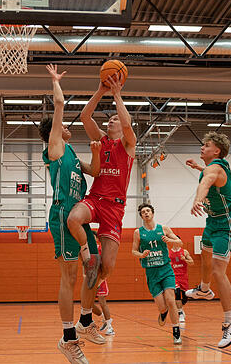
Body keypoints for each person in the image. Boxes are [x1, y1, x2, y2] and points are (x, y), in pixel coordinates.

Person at [39, 65, 105, 363]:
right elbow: (59, 105)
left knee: (95, 267)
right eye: (63, 125)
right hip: (63, 214)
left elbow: (94, 171)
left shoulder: (72, 154)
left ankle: (86, 321)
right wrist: (55, 82)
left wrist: (96, 151)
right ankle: (68, 338)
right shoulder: (55, 146)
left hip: (79, 217)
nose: (67, 126)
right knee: (69, 276)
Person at [67, 70, 136, 295]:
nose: (111, 120)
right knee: (74, 219)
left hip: (114, 208)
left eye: (115, 118)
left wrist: (117, 96)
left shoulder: (128, 144)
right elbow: (85, 117)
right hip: (95, 199)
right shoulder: (100, 139)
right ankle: (87, 257)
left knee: (108, 266)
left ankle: (94, 287)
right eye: (110, 118)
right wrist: (100, 91)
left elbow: (127, 127)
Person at [184, 131, 231, 348]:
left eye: (206, 145)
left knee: (219, 270)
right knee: (205, 256)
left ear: (216, 150)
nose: (202, 148)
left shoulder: (214, 169)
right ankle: (204, 289)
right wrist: (197, 168)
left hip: (225, 225)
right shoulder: (214, 168)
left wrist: (198, 200)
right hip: (212, 222)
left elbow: (206, 184)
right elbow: (209, 176)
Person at [131, 203, 183, 345]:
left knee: (171, 300)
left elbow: (179, 241)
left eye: (148, 211)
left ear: (152, 213)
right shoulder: (138, 232)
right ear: (141, 216)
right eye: (143, 212)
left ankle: (176, 331)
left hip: (166, 269)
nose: (146, 213)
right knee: (162, 306)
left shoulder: (163, 229)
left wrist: (170, 240)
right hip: (151, 272)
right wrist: (141, 254)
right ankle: (162, 312)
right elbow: (133, 251)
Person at [169, 241, 193, 323]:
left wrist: (185, 259)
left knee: (185, 297)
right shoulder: (169, 253)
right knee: (177, 294)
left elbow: (192, 263)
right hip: (174, 276)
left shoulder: (184, 252)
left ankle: (180, 308)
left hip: (183, 277)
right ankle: (180, 313)